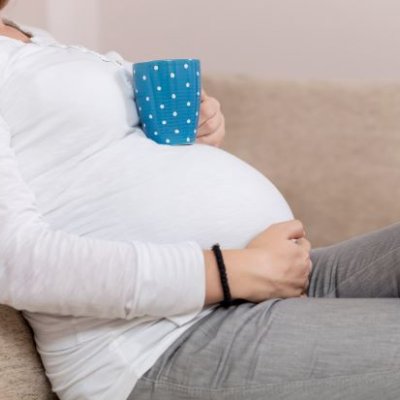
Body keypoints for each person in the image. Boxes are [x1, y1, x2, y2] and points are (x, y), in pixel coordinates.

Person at [1, 2, 400, 400]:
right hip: (166, 341)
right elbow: (13, 261)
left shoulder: (32, 39)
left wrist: (197, 131)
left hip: (272, 281)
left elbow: (91, 159)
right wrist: (228, 271)